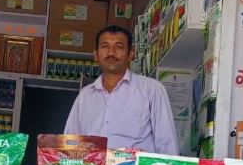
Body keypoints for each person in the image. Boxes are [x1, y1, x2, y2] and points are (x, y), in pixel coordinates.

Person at [64, 25, 179, 154]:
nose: (111, 53)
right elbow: (70, 143)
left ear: (130, 54)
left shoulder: (151, 90)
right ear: (96, 55)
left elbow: (167, 145)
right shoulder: (85, 95)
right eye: (105, 46)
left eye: (119, 47)